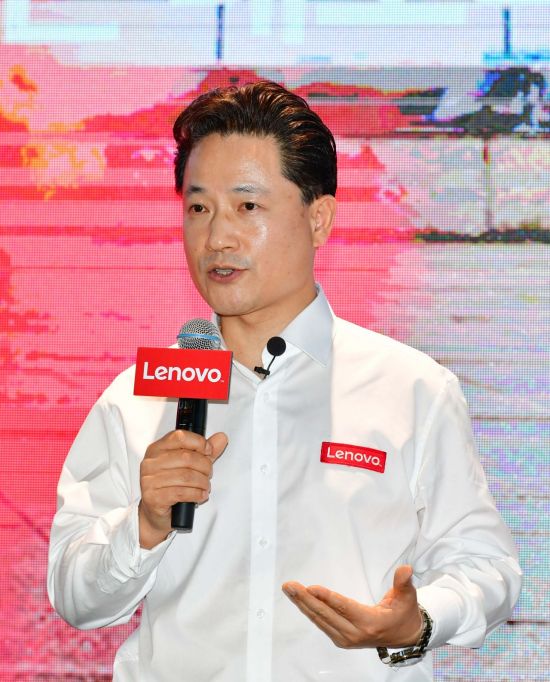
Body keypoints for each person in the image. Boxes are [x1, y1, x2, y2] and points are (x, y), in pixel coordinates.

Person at [47, 81, 521, 681]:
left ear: (318, 218)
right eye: (199, 208)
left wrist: (419, 621)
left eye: (247, 207)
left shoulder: (411, 390)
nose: (217, 237)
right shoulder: (140, 397)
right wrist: (143, 525)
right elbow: (74, 595)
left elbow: (487, 566)